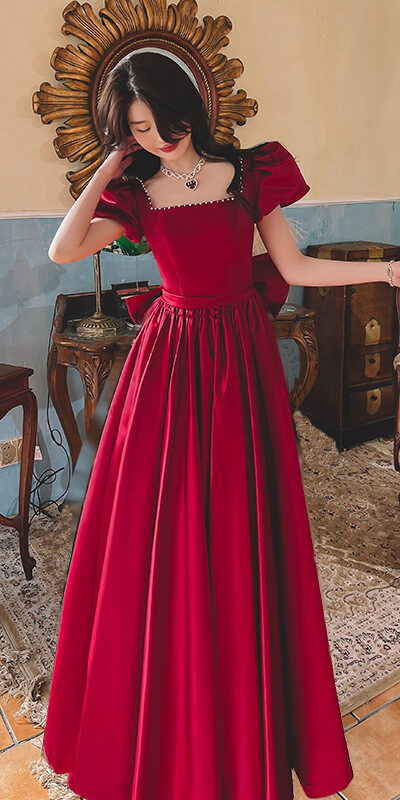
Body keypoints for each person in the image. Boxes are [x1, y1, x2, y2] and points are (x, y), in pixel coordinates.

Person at [41, 51, 399, 800]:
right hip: (168, 363)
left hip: (240, 359)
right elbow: (63, 250)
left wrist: (386, 273)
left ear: (189, 110)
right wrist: (111, 164)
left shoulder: (253, 174)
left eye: (163, 122)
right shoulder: (137, 193)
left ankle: (240, 700)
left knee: (242, 525)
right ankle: (160, 702)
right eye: (137, 128)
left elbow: (294, 267)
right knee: (157, 525)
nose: (156, 138)